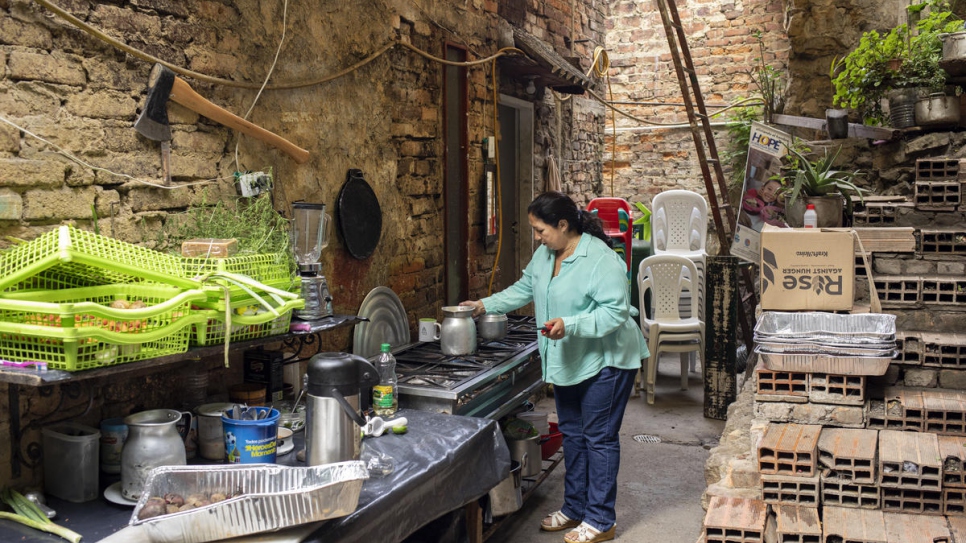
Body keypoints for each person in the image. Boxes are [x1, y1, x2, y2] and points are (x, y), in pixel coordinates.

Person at [463, 191, 647, 543]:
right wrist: (484, 305)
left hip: (607, 359)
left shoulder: (600, 259)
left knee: (599, 439)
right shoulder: (546, 255)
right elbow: (524, 288)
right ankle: (575, 508)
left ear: (563, 225)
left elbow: (615, 312)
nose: (537, 237)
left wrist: (570, 324)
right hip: (571, 357)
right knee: (574, 436)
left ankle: (600, 519)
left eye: (540, 230)